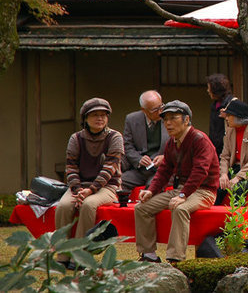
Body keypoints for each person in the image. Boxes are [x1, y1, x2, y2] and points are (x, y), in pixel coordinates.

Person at [134, 100, 219, 263]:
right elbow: (164, 170)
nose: (168, 123)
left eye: (173, 118)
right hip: (182, 189)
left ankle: (175, 259)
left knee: (180, 209)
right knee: (142, 207)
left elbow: (200, 171)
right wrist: (151, 190)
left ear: (186, 120)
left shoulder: (200, 139)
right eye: (165, 119)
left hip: (204, 191)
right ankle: (148, 255)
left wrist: (182, 195)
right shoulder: (171, 142)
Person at [55, 98, 124, 268]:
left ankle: (80, 256)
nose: (100, 118)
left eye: (103, 115)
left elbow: (110, 169)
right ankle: (62, 254)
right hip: (79, 186)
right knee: (63, 206)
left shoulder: (115, 137)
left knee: (88, 204)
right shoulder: (76, 138)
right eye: (94, 115)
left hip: (107, 186)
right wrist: (78, 190)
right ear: (85, 118)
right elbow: (70, 167)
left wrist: (90, 190)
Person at [216, 99, 248, 205]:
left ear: (238, 118)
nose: (227, 118)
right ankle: (216, 219)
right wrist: (224, 174)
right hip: (235, 168)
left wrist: (238, 177)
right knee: (217, 187)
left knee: (238, 189)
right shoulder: (230, 131)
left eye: (229, 115)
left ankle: (237, 220)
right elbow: (225, 156)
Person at [121, 90, 169, 190]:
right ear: (144, 110)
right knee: (119, 181)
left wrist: (165, 157)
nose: (160, 112)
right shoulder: (131, 119)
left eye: (161, 107)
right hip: (140, 169)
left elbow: (179, 145)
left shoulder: (169, 118)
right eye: (155, 110)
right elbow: (128, 146)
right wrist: (139, 159)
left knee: (152, 185)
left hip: (162, 168)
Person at [206, 73, 234, 157]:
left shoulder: (231, 104)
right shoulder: (215, 105)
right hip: (215, 148)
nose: (208, 90)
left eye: (209, 88)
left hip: (227, 148)